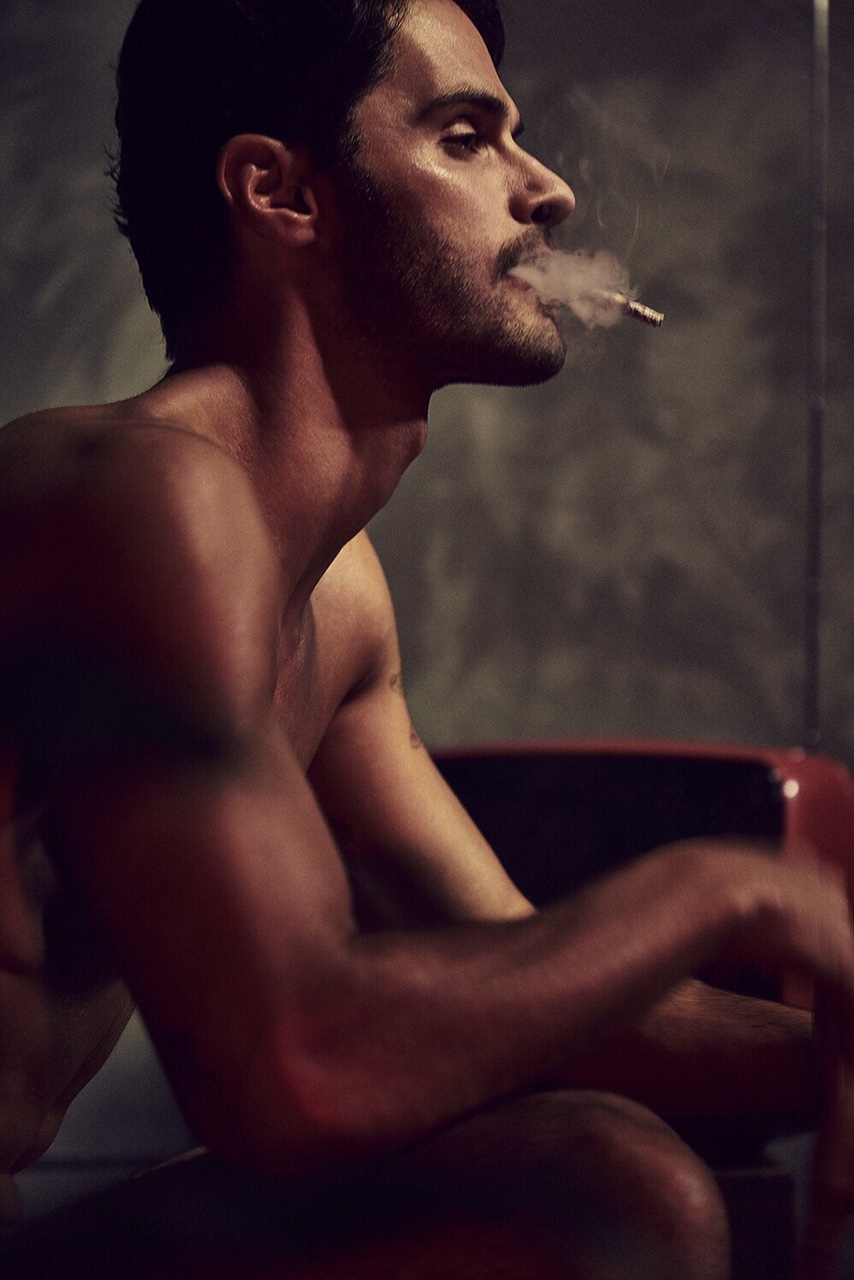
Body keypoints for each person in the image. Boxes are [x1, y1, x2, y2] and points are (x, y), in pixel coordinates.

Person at [0, 0, 852, 1276]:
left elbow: (544, 1000)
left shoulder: (334, 593)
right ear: (282, 193)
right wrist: (712, 887)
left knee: (591, 1175)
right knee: (604, 1185)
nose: (547, 189)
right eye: (464, 136)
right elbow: (291, 1076)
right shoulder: (132, 492)